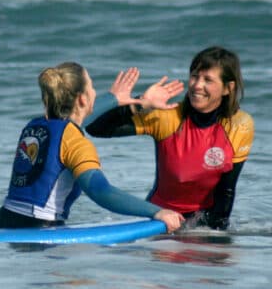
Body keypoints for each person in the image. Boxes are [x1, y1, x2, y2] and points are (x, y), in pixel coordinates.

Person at [0, 62, 184, 233]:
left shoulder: (34, 125)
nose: (96, 93)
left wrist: (120, 100)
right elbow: (100, 191)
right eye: (92, 87)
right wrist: (157, 211)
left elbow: (75, 119)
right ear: (82, 99)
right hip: (38, 234)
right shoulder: (76, 142)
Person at [86, 46, 254, 230]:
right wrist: (138, 104)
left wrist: (214, 237)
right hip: (160, 220)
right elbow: (95, 128)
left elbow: (227, 190)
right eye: (195, 76)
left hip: (203, 222)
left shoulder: (239, 125)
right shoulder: (168, 116)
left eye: (208, 80)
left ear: (227, 88)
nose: (197, 85)